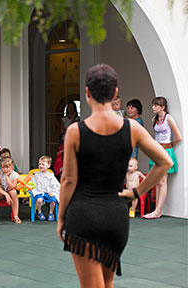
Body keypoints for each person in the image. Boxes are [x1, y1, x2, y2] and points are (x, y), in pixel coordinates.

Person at [57, 64, 172, 287]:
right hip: (115, 216)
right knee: (106, 284)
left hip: (83, 215)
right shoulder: (132, 128)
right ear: (115, 93)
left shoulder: (75, 131)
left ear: (88, 93)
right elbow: (164, 162)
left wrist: (61, 218)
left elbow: (68, 180)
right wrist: (136, 192)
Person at [143, 96, 182, 219]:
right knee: (158, 181)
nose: (153, 107)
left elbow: (178, 137)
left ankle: (158, 210)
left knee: (162, 181)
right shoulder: (154, 119)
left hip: (165, 150)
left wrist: (169, 146)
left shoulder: (169, 118)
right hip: (157, 150)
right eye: (153, 105)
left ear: (162, 107)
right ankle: (157, 210)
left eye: (155, 105)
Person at [0, 157, 21, 224]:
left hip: (9, 190)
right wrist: (5, 194)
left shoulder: (15, 175)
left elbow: (12, 187)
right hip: (0, 192)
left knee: (14, 192)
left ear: (12, 167)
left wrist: (7, 178)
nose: (5, 169)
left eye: (7, 167)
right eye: (3, 167)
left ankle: (16, 216)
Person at [32, 155, 60, 222]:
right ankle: (39, 212)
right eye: (39, 164)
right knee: (39, 200)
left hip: (49, 192)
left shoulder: (51, 175)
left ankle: (51, 213)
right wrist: (34, 191)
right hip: (40, 192)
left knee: (53, 200)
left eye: (43, 164)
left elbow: (56, 185)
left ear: (48, 165)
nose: (40, 166)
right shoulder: (36, 175)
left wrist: (53, 192)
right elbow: (32, 185)